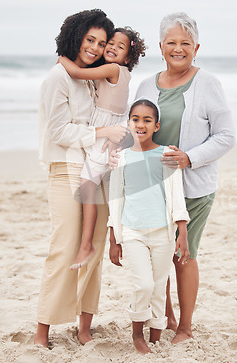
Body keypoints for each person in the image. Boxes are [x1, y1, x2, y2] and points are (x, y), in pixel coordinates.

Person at [109, 12, 236, 343]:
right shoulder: (147, 84)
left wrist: (189, 158)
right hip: (152, 189)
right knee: (156, 259)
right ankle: (165, 319)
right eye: (171, 43)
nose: (178, 49)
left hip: (193, 188)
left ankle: (185, 328)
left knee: (184, 255)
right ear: (161, 46)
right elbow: (135, 127)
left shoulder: (208, 84)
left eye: (185, 43)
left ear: (196, 47)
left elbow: (226, 136)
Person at [35, 9, 117, 348]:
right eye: (90, 40)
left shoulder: (92, 78)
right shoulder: (58, 78)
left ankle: (84, 327)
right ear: (76, 37)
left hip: (96, 170)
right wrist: (101, 131)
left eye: (101, 43)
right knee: (66, 248)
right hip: (66, 168)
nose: (95, 48)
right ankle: (42, 331)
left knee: (93, 251)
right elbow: (58, 131)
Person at [58, 26, 146, 270]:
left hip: (105, 129)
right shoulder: (124, 72)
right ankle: (114, 236)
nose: (112, 48)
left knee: (87, 187)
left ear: (127, 57)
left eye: (120, 47)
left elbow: (77, 73)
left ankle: (87, 244)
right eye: (111, 43)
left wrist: (62, 58)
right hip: (113, 126)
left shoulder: (112, 68)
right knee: (110, 188)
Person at [107, 98, 190, 353]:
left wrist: (182, 233)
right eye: (135, 119)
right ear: (128, 123)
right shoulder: (120, 159)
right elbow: (115, 198)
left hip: (163, 233)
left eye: (147, 120)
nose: (140, 124)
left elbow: (176, 195)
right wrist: (114, 238)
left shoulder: (166, 154)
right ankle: (137, 334)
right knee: (142, 284)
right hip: (133, 232)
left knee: (158, 284)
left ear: (157, 125)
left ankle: (155, 335)